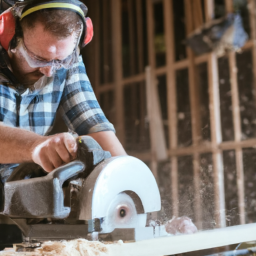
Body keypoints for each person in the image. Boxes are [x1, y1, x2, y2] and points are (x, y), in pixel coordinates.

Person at [0, 0, 126, 181]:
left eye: (60, 61)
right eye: (37, 59)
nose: (49, 71)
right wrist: (35, 146)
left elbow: (94, 125)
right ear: (8, 35)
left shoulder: (65, 59)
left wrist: (126, 179)